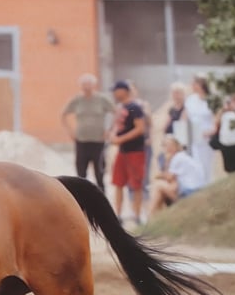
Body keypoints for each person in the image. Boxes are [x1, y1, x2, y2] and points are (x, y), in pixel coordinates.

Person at [61, 73, 115, 192]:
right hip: (81, 141)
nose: (86, 87)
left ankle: (101, 198)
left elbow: (116, 112)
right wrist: (70, 132)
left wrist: (110, 130)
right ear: (80, 86)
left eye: (89, 84)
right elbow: (63, 115)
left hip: (98, 141)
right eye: (84, 85)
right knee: (81, 173)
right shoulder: (76, 100)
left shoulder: (102, 99)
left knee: (99, 173)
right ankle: (82, 199)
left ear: (93, 85)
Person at [108, 80, 146, 225]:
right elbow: (117, 126)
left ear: (123, 91)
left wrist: (120, 139)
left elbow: (140, 128)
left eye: (116, 91)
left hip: (135, 151)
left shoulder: (135, 107)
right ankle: (118, 214)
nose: (114, 94)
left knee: (136, 184)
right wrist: (112, 135)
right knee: (118, 182)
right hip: (122, 151)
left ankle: (137, 215)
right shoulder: (121, 107)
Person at [149, 135, 205, 215]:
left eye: (167, 146)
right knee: (162, 189)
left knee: (159, 186)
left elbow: (169, 177)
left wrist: (166, 163)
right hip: (195, 190)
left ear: (175, 146)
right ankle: (154, 216)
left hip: (191, 192)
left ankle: (151, 216)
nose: (166, 149)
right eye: (165, 146)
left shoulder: (177, 158)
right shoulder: (182, 156)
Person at [184, 75, 215, 183]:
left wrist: (211, 130)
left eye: (194, 84)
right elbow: (186, 117)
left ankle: (207, 184)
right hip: (193, 135)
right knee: (195, 163)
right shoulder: (190, 99)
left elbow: (215, 118)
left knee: (205, 163)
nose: (192, 86)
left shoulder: (211, 100)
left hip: (206, 136)